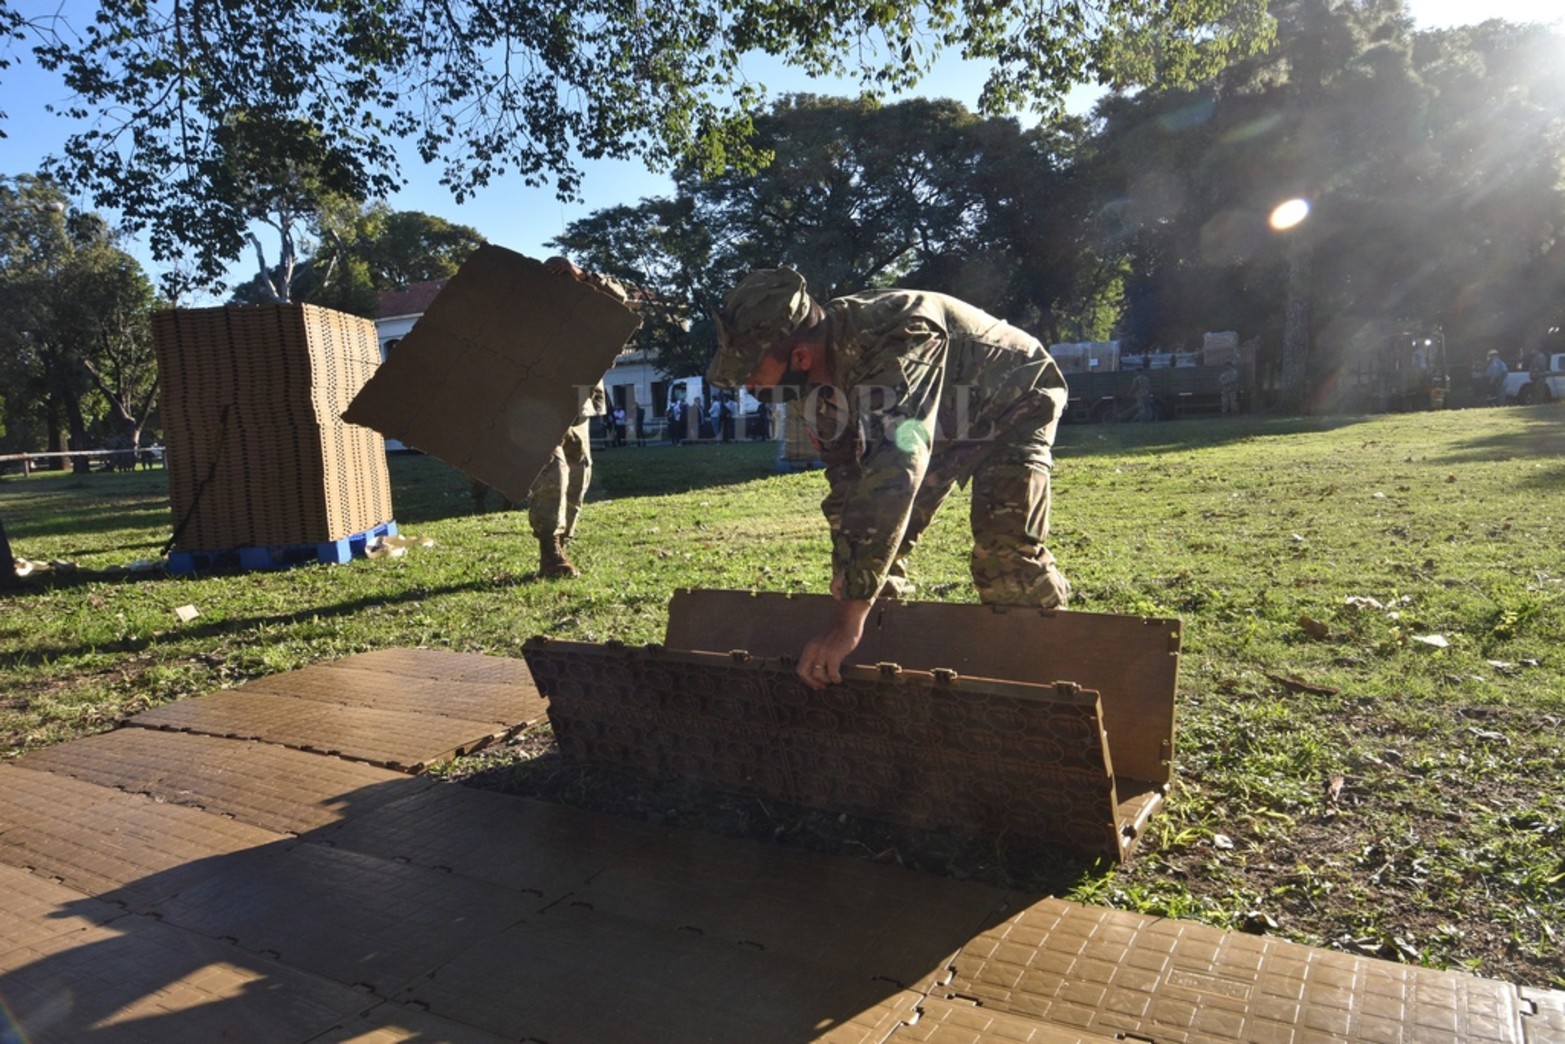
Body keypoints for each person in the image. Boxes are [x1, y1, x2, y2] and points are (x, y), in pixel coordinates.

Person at [709, 268, 1070, 691]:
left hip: (1010, 401)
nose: (747, 386)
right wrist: (851, 579)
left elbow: (895, 468)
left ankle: (1057, 679)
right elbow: (848, 481)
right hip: (936, 419)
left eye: (751, 371)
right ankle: (882, 679)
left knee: (1005, 559)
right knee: (866, 567)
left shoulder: (898, 339)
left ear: (800, 357)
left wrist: (846, 622)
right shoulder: (811, 386)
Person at [529, 255, 626, 578]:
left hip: (579, 397)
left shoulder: (588, 302)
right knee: (551, 468)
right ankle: (550, 550)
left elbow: (620, 298)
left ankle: (563, 540)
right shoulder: (529, 310)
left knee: (579, 469)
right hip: (539, 398)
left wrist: (583, 275)